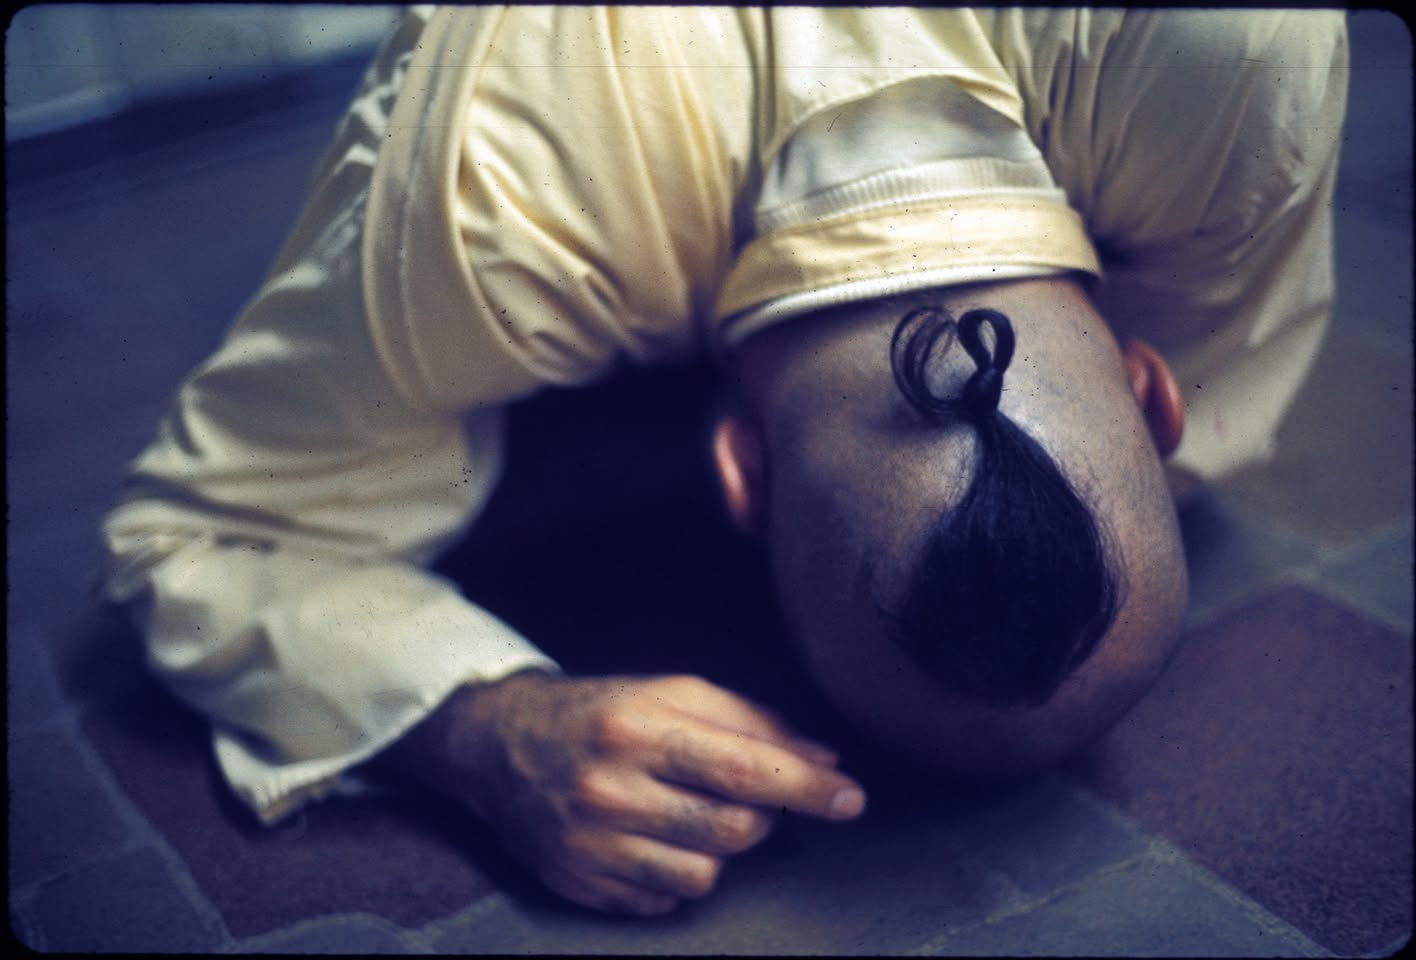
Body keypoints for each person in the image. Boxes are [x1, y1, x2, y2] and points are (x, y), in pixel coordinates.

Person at [102, 7, 1348, 917]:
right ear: (1153, 394)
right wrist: (486, 732)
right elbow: (190, 536)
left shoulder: (1243, 48)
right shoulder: (484, 209)